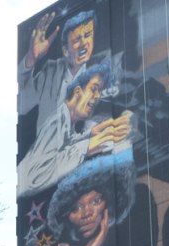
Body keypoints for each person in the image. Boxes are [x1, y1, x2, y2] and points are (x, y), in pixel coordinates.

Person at [18, 63, 133, 197]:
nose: (97, 97)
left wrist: (90, 135)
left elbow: (63, 148)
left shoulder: (66, 122)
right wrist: (87, 146)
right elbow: (35, 178)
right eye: (94, 89)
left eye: (99, 92)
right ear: (78, 91)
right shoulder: (57, 121)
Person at [19, 10, 97, 134]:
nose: (83, 44)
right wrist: (31, 58)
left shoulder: (102, 73)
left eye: (88, 35)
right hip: (45, 151)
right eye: (77, 40)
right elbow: (22, 105)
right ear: (66, 51)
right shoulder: (50, 72)